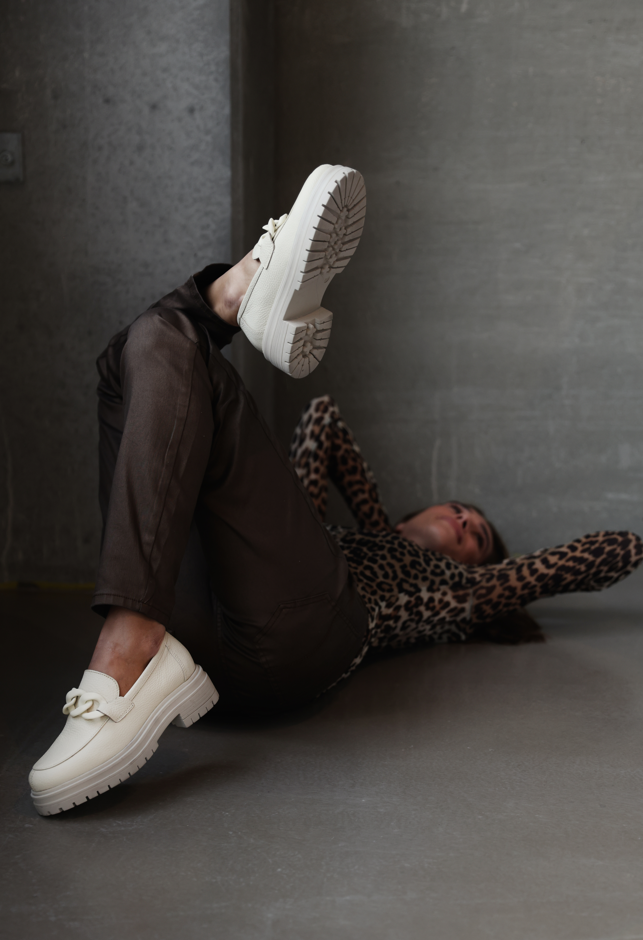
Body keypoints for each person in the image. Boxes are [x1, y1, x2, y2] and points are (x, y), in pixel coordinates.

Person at [28, 164, 643, 816]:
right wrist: (373, 518)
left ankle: (123, 650)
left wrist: (504, 578)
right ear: (417, 510)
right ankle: (234, 296)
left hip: (301, 641)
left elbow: (615, 551)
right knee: (135, 350)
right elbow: (321, 420)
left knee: (167, 349)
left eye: (478, 536)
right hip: (204, 632)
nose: (465, 522)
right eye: (460, 509)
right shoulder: (336, 533)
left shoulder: (463, 592)